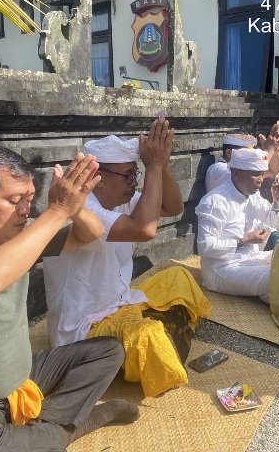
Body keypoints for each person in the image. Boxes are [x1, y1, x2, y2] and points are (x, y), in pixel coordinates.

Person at [0, 147, 140, 452]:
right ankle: (69, 428)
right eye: (14, 200)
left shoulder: (22, 234)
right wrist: (57, 211)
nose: (25, 211)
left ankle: (45, 432)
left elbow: (91, 233)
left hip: (20, 376)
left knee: (108, 351)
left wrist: (75, 208)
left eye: (29, 199)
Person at [44, 117, 211, 398]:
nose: (135, 183)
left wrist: (160, 164)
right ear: (97, 178)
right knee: (148, 336)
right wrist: (153, 167)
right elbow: (145, 229)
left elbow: (173, 207)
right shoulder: (83, 209)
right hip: (85, 329)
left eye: (137, 174)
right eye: (128, 176)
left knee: (178, 277)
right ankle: (160, 341)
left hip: (121, 303)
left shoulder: (121, 200)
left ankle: (160, 341)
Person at [196, 147, 279, 303]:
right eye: (255, 174)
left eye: (262, 174)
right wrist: (244, 240)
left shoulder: (253, 196)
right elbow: (205, 248)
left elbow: (275, 222)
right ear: (236, 173)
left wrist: (277, 200)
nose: (260, 180)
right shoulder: (214, 202)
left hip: (251, 258)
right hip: (222, 269)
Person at [205, 122, 279, 192]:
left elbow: (276, 169)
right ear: (229, 153)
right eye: (246, 152)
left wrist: (275, 152)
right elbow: (248, 174)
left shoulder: (246, 170)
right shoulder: (217, 169)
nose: (251, 156)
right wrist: (269, 150)